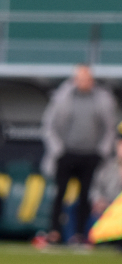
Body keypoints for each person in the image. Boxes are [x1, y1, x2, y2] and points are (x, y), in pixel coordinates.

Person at [41, 64, 117, 246]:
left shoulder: (103, 99)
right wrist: (58, 150)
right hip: (66, 153)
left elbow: (109, 129)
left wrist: (101, 152)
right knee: (60, 194)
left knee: (86, 196)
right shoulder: (63, 97)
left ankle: (81, 235)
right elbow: (49, 126)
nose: (83, 82)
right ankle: (54, 233)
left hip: (91, 155)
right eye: (80, 78)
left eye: (87, 78)